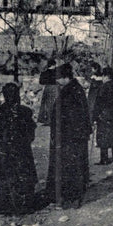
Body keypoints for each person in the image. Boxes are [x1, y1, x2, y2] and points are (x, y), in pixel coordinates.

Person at [0, 82, 38, 215]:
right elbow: (31, 130)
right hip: (20, 148)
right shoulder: (25, 112)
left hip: (1, 147)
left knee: (0, 175)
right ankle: (21, 205)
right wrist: (24, 140)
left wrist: (2, 136)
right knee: (20, 175)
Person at [44, 63, 93, 209]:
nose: (57, 82)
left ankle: (70, 199)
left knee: (69, 168)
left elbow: (70, 117)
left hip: (69, 138)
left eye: (59, 78)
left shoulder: (71, 92)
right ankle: (72, 197)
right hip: (73, 137)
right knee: (74, 168)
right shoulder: (74, 89)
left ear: (65, 77)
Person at [92, 67, 113, 165]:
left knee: (103, 137)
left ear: (105, 76)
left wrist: (94, 117)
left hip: (104, 115)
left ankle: (104, 159)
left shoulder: (102, 88)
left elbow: (97, 104)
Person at [37, 58, 58, 125]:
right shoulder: (57, 72)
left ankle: (47, 120)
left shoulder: (44, 73)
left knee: (46, 104)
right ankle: (54, 119)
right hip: (55, 88)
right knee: (55, 103)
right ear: (54, 65)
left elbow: (41, 82)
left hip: (47, 88)